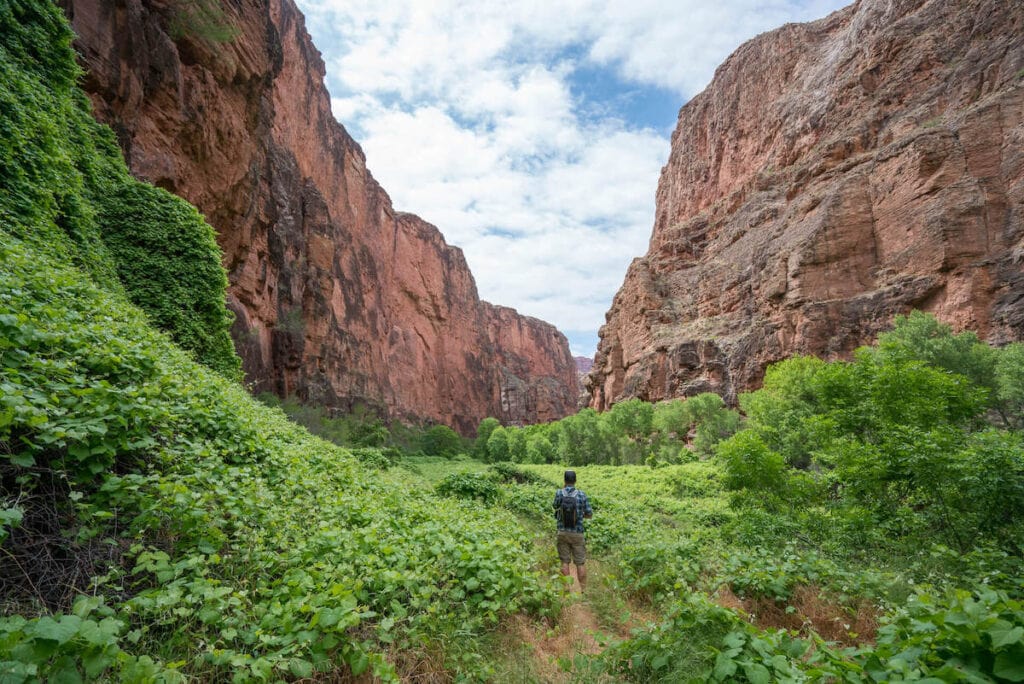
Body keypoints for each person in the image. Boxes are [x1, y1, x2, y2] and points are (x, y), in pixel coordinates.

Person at [553, 469, 593, 591]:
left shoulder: (559, 493)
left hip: (562, 532)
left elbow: (555, 506)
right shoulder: (581, 494)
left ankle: (566, 589)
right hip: (577, 533)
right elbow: (589, 514)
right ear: (575, 481)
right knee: (580, 563)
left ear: (564, 480)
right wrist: (580, 515)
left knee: (564, 562)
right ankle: (583, 591)